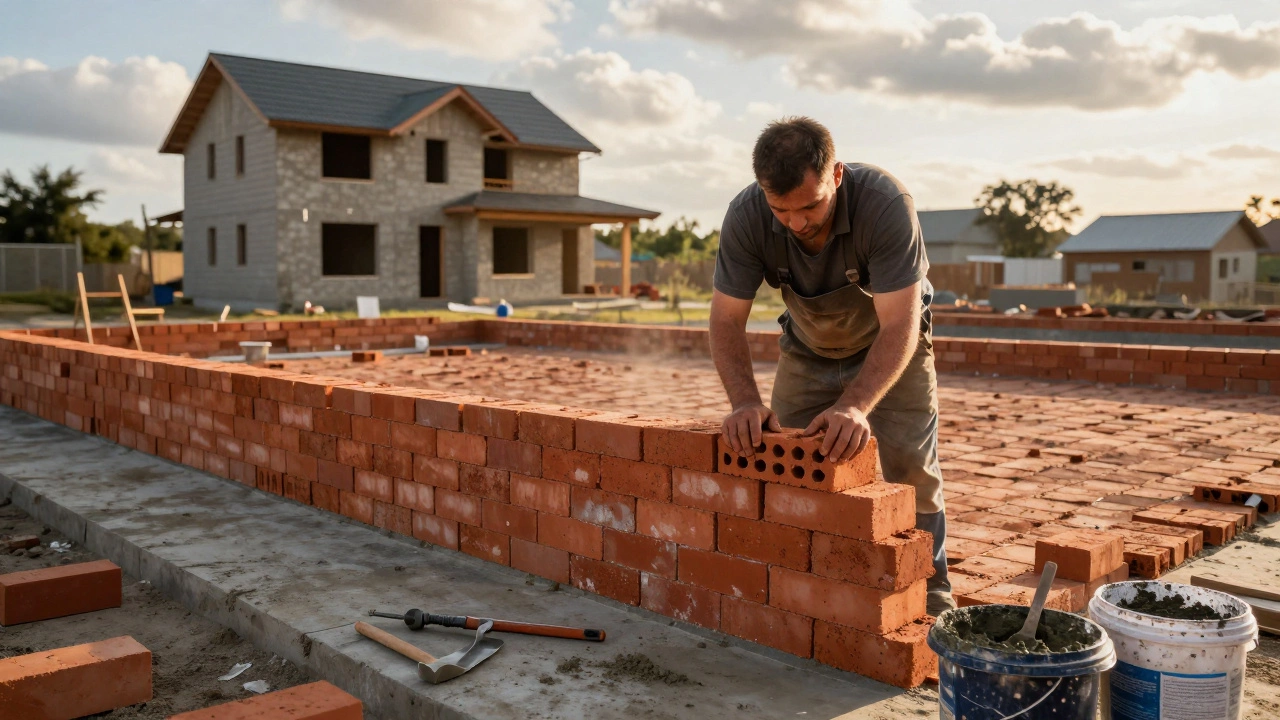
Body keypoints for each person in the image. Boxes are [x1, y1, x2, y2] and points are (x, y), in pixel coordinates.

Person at [709, 116, 953, 615]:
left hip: (891, 348)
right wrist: (744, 404)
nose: (796, 223)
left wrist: (857, 406)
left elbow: (900, 324)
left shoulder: (885, 205)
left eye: (810, 206)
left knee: (909, 467)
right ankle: (807, 587)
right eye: (781, 210)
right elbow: (726, 321)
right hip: (807, 348)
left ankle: (929, 589)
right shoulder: (746, 215)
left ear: (836, 174)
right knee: (787, 461)